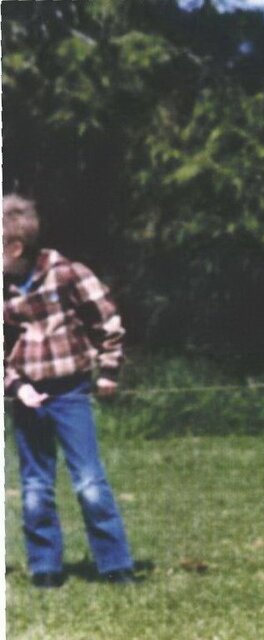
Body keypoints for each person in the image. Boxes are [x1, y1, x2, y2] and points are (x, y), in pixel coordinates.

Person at [3, 194, 136, 586]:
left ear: (14, 247)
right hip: (26, 396)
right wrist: (15, 385)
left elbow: (107, 322)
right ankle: (45, 568)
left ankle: (115, 565)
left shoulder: (67, 274)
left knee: (89, 483)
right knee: (34, 488)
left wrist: (108, 372)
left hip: (70, 391)